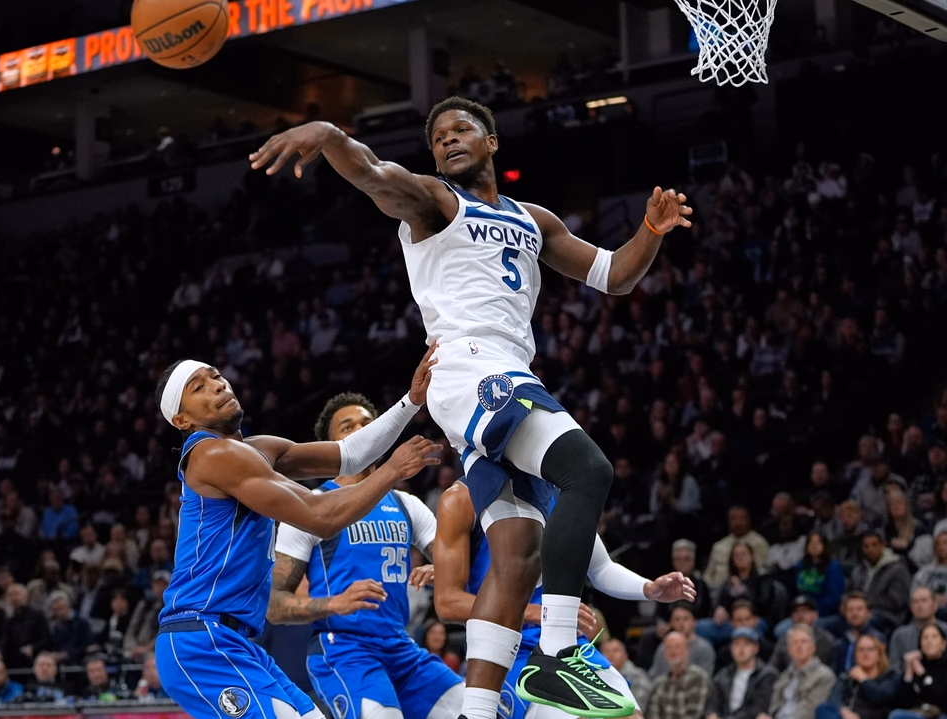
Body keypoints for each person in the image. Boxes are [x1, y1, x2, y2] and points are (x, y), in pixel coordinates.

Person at [251, 96, 692, 718]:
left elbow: (614, 275)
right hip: (470, 368)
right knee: (588, 471)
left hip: (501, 375)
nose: (448, 141)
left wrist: (650, 232)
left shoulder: (534, 220)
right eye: (438, 137)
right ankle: (559, 656)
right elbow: (374, 172)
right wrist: (327, 134)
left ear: (492, 142)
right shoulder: (435, 203)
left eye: (462, 130)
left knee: (516, 557)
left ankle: (477, 711)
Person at [151, 358, 442, 719]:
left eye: (217, 377)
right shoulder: (212, 453)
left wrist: (411, 402)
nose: (218, 385)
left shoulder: (255, 450)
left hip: (234, 640)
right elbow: (321, 517)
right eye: (199, 387)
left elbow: (349, 455)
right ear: (182, 421)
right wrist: (392, 471)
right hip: (201, 638)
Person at [268, 389, 464, 719]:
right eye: (348, 427)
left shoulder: (407, 504)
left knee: (473, 709)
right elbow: (273, 604)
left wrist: (444, 568)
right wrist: (334, 604)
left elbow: (460, 562)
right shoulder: (311, 506)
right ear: (333, 450)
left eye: (368, 424)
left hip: (401, 647)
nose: (361, 430)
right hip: (345, 649)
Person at [426, 479, 688, 719]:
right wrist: (535, 612)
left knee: (629, 715)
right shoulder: (461, 499)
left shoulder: (557, 494)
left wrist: (649, 588)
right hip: (508, 650)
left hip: (566, 643)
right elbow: (448, 603)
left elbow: (600, 568)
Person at [702, 543, 777, 643]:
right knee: (700, 628)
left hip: (755, 620)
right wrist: (719, 608)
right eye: (736, 555)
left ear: (752, 556)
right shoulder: (728, 582)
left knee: (753, 626)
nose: (740, 557)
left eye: (743, 554)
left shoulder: (763, 580)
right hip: (731, 622)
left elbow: (763, 605)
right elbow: (719, 603)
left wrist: (741, 590)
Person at [815, 634, 900, 719]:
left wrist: (863, 679)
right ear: (855, 655)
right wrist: (845, 711)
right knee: (824, 708)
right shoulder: (848, 676)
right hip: (847, 717)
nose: (865, 654)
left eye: (870, 649)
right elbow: (834, 696)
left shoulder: (889, 677)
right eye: (861, 650)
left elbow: (880, 697)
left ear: (879, 654)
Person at [760, 626, 836, 719]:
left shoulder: (824, 676)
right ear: (789, 650)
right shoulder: (785, 675)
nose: (799, 646)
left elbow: (809, 711)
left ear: (813, 647)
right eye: (794, 643)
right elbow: (774, 706)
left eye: (803, 641)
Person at [892, 624, 947, 719]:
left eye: (934, 637)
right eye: (925, 637)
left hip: (941, 715)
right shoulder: (916, 665)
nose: (929, 641)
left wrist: (923, 675)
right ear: (920, 644)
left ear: (944, 643)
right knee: (896, 715)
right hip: (917, 713)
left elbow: (941, 699)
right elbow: (903, 702)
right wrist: (909, 672)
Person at [706, 627, 778, 719]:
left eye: (746, 644)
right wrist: (712, 714)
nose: (741, 649)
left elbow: (758, 708)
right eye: (737, 644)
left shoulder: (767, 675)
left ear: (756, 648)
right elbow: (713, 702)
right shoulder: (723, 675)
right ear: (731, 648)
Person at [853, 532, 912, 632]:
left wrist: (866, 604)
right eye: (866, 546)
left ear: (883, 545)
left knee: (867, 622)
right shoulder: (860, 569)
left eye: (874, 545)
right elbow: (851, 592)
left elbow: (896, 602)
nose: (870, 549)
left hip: (888, 616)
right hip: (858, 611)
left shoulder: (897, 569)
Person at [647, 633, 711, 719]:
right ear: (665, 653)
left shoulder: (698, 678)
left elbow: (694, 713)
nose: (673, 651)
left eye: (677, 647)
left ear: (687, 651)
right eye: (669, 648)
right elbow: (653, 713)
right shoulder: (658, 684)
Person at [889, 588, 947, 676]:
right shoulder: (899, 635)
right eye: (915, 602)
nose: (919, 605)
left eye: (924, 600)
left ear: (935, 605)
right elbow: (894, 669)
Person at [706, 508, 772, 590]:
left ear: (749, 521)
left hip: (750, 589)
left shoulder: (760, 544)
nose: (737, 523)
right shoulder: (719, 546)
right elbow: (708, 575)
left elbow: (761, 570)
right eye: (733, 519)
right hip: (718, 590)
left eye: (742, 518)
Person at [771, 598, 836, 671]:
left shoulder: (825, 640)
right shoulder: (784, 639)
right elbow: (773, 666)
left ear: (815, 614)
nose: (800, 615)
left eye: (805, 611)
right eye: (796, 611)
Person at [914, 531, 947, 617]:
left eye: (945, 543)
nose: (941, 547)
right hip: (924, 609)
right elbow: (915, 590)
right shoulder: (926, 570)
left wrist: (930, 599)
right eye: (938, 544)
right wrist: (933, 598)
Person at [794, 531, 845, 619]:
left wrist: (813, 611)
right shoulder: (800, 565)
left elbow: (834, 597)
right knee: (780, 630)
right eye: (811, 543)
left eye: (818, 543)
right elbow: (795, 591)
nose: (814, 546)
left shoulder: (833, 567)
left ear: (824, 546)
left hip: (825, 614)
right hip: (802, 612)